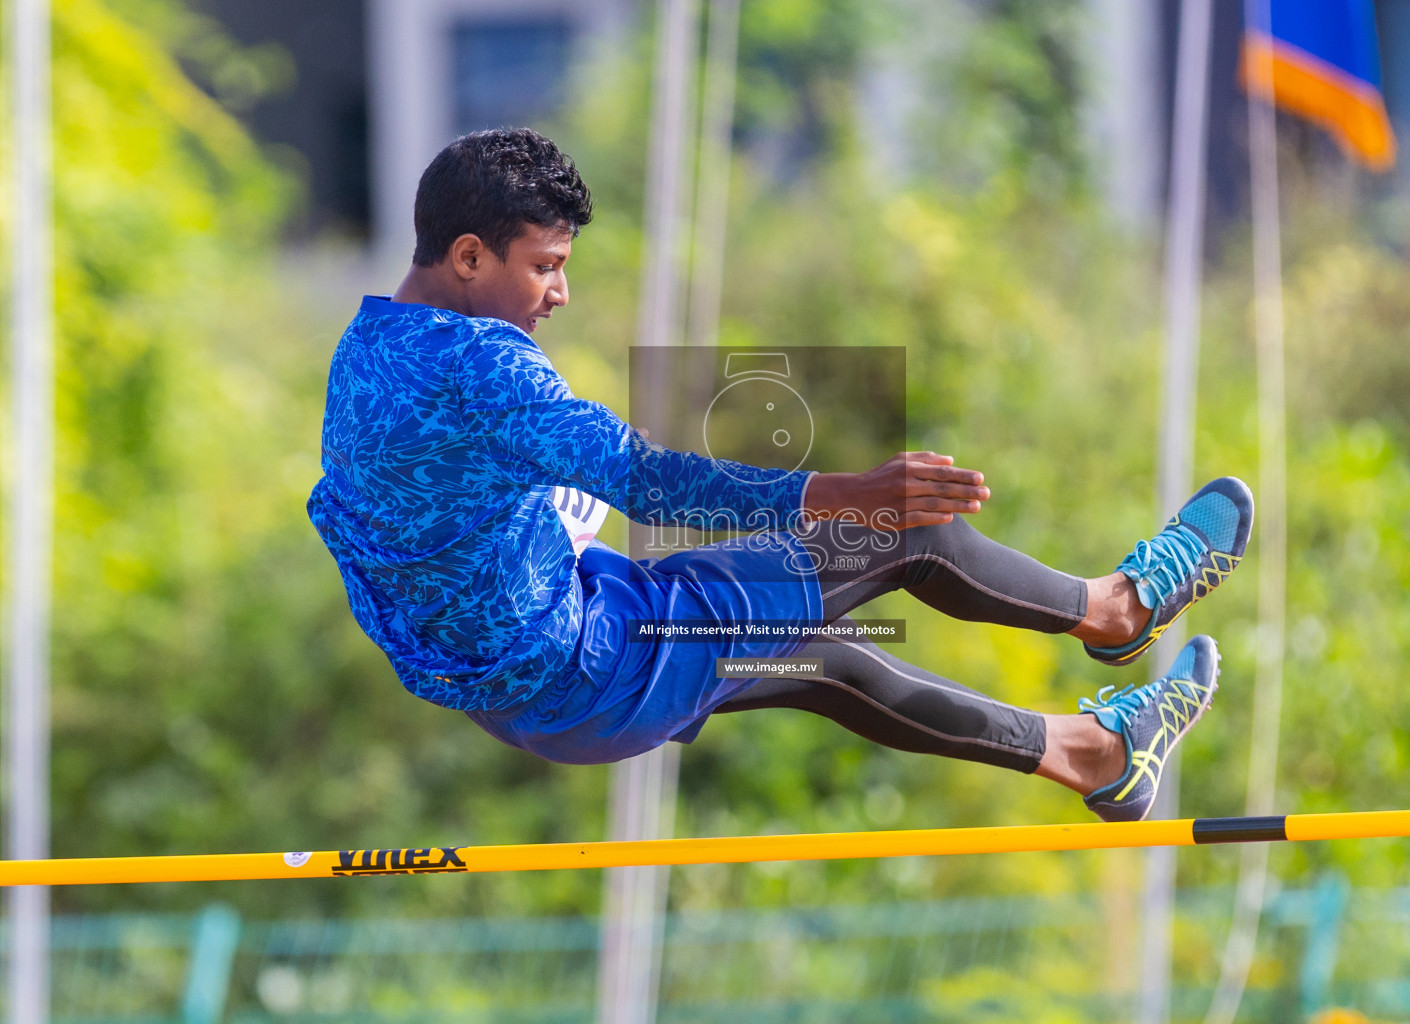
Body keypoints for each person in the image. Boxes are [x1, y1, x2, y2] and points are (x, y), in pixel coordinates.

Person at [308, 128, 1253, 824]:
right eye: (545, 268)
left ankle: (1097, 759)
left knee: (822, 662)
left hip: (510, 694)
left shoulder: (364, 354)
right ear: (468, 256)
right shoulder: (485, 364)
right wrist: (847, 493)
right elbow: (649, 480)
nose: (560, 293)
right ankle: (1116, 610)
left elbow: (382, 527)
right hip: (590, 666)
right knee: (909, 530)